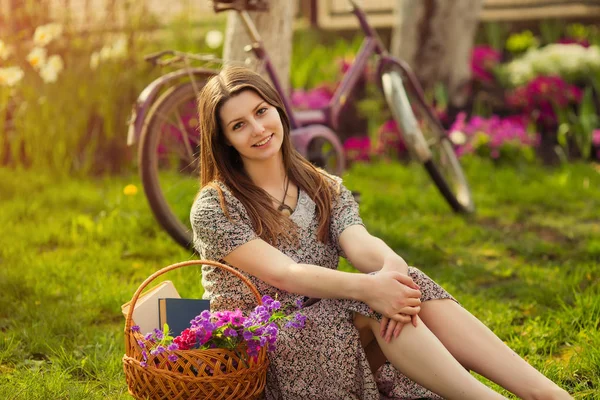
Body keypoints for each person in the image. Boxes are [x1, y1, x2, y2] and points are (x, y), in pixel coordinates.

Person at [190, 65, 572, 400]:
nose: (258, 129)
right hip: (266, 352)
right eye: (239, 125)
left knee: (404, 285)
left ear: (277, 109)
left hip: (334, 325)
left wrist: (393, 266)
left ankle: (546, 393)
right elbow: (284, 275)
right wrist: (372, 288)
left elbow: (360, 243)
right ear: (224, 139)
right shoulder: (216, 207)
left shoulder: (320, 184)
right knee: (373, 298)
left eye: (261, 112)